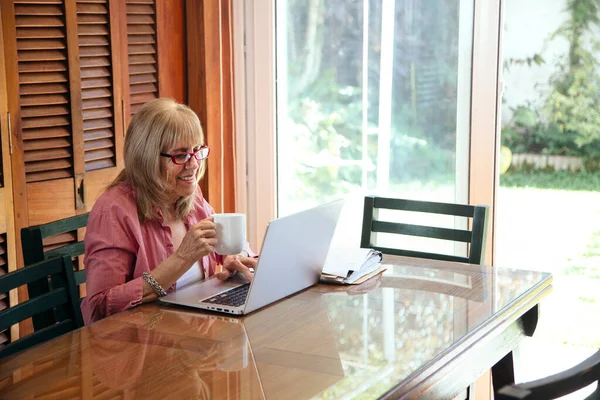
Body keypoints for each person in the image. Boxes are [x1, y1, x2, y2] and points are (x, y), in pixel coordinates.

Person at [81, 98, 256, 324]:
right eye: (180, 155)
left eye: (197, 151)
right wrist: (182, 258)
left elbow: (231, 250)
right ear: (148, 158)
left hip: (193, 336)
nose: (193, 165)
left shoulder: (189, 196)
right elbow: (99, 308)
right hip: (140, 345)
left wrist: (236, 258)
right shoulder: (113, 211)